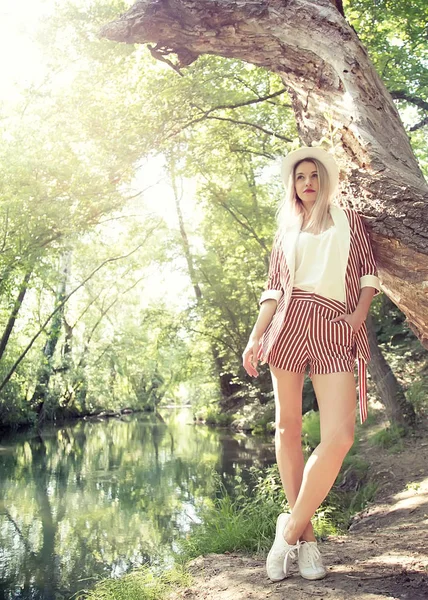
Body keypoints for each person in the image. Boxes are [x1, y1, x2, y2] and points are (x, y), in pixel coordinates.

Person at [242, 147, 381, 582]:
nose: (307, 182)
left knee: (338, 437)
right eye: (300, 176)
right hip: (287, 321)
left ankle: (288, 531)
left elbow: (368, 273)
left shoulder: (350, 221)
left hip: (333, 322)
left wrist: (359, 313)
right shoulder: (286, 228)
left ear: (325, 180)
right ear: (293, 184)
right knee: (288, 429)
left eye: (314, 176)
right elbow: (272, 289)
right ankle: (309, 543)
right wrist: (253, 336)